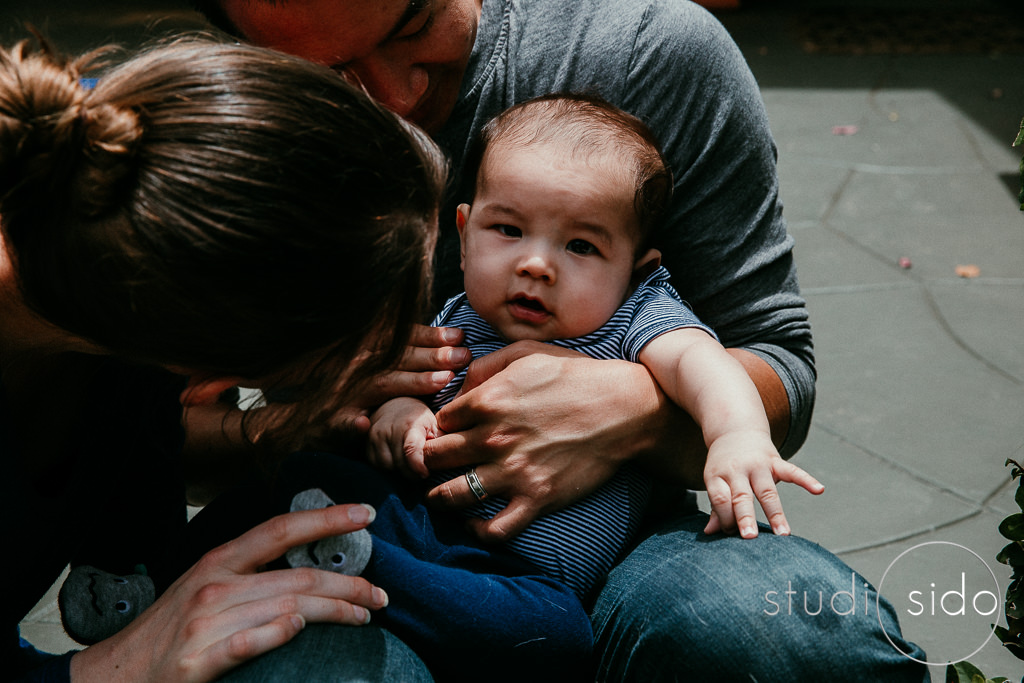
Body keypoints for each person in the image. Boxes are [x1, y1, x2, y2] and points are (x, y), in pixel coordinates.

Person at [194, 0, 932, 679]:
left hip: (603, 549)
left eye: (413, 23)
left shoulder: (645, 54)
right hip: (387, 526)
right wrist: (333, 419)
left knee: (789, 634)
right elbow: (158, 429)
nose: (396, 96)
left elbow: (772, 360)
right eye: (330, 75)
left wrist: (639, 412)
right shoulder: (215, 128)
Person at [2, 35, 447, 682]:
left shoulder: (113, 251)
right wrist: (111, 667)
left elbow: (138, 507)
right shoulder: (133, 319)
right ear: (206, 382)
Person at [367, 93, 824, 601]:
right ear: (465, 233)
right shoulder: (457, 316)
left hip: (535, 583)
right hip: (430, 535)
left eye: (581, 246)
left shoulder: (634, 317)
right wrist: (402, 411)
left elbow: (703, 364)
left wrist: (736, 434)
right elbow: (418, 384)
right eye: (508, 230)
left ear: (635, 270)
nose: (535, 264)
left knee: (536, 631)